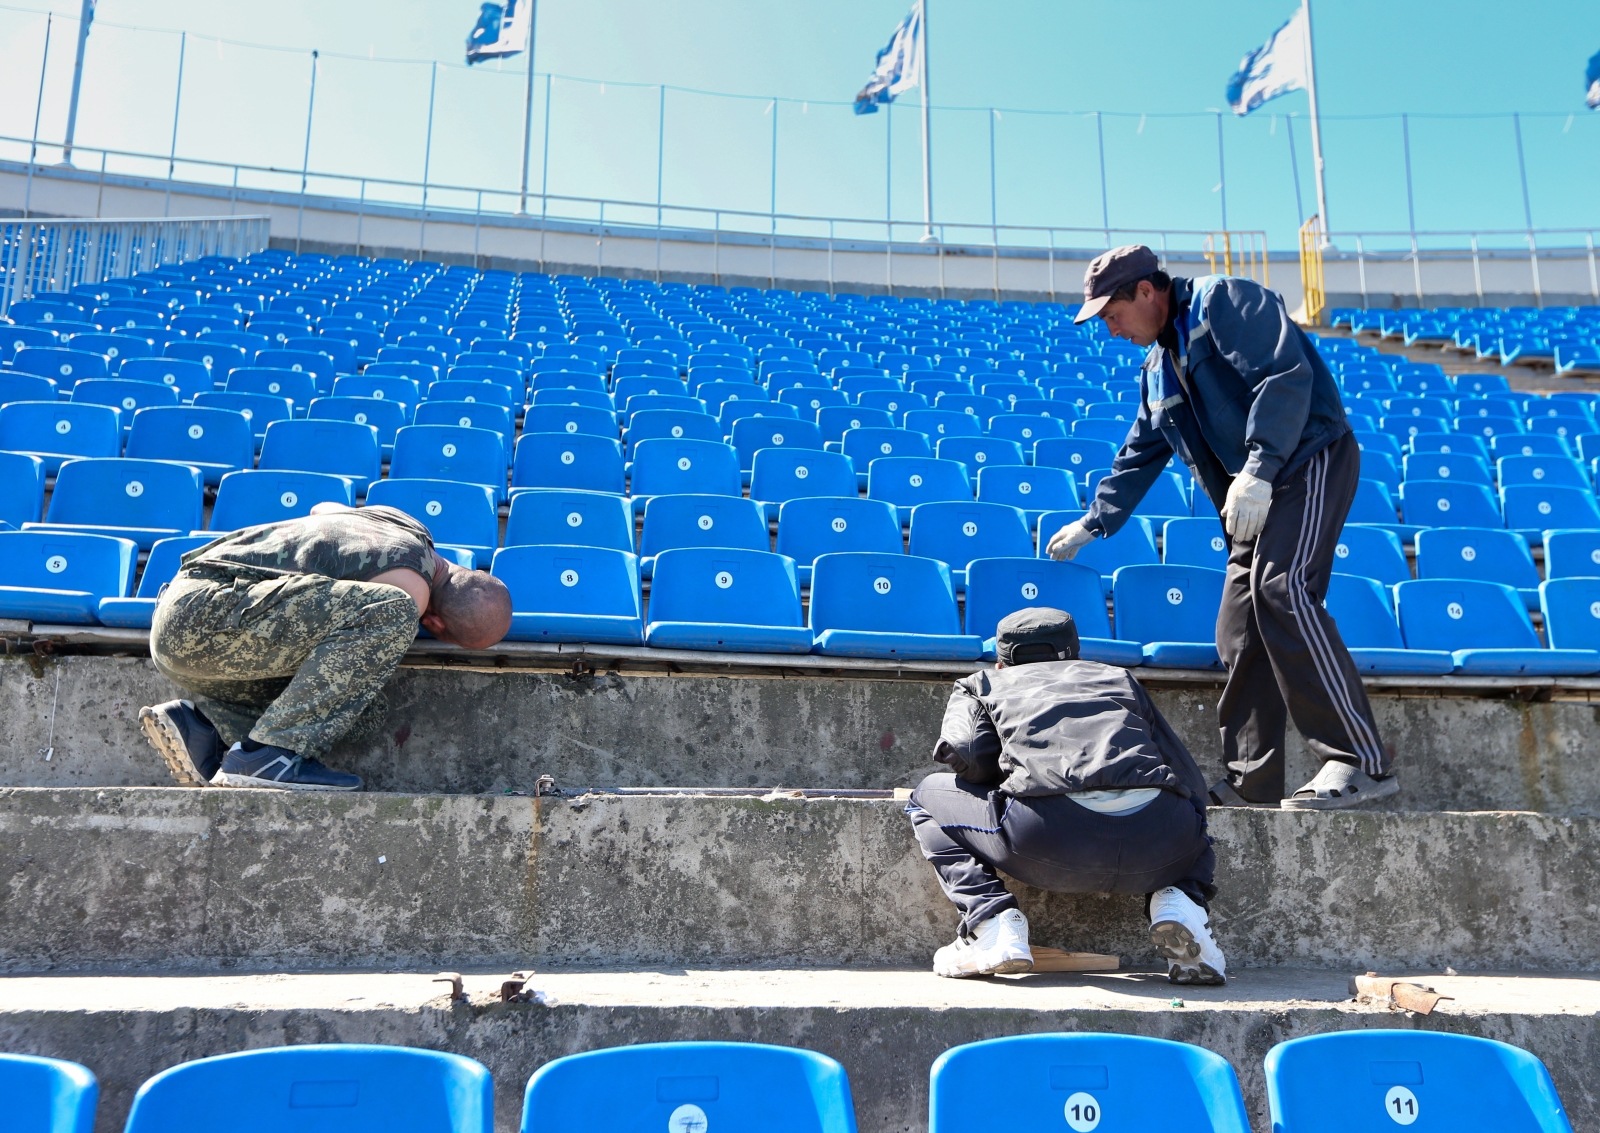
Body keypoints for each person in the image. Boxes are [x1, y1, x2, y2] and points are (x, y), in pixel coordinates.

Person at [1047, 244, 1396, 811]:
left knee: (1282, 589)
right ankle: (1250, 785)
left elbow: (1285, 375)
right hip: (1251, 497)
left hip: (1307, 459)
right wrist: (1096, 520)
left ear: (1146, 291)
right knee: (1238, 629)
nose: (1110, 331)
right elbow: (1140, 452)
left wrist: (1259, 469)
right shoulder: (1158, 369)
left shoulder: (1224, 300)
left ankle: (1360, 761)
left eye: (1111, 315)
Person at [907, 607, 1225, 984]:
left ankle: (991, 922)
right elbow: (1186, 775)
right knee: (1183, 806)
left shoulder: (983, 683)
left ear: (1001, 659)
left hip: (1050, 838)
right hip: (1163, 841)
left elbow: (970, 759)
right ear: (1075, 649)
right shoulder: (1117, 677)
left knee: (925, 795)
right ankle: (1181, 901)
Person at [138, 502, 512, 791]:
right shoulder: (409, 594)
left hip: (192, 619)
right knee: (393, 612)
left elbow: (323, 510)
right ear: (435, 625)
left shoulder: (404, 524)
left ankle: (206, 729)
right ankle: (268, 758)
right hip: (206, 612)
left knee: (362, 710)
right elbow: (392, 609)